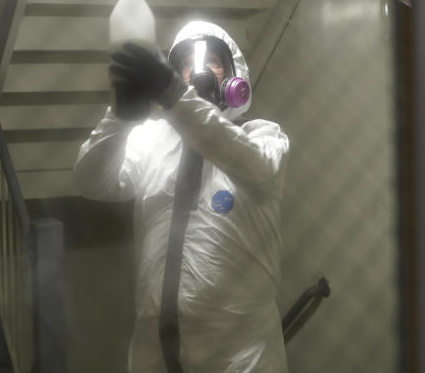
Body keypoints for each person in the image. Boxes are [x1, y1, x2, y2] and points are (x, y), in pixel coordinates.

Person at [74, 21, 290, 373]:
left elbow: (259, 169)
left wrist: (175, 95)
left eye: (213, 61)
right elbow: (91, 180)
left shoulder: (260, 137)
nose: (198, 70)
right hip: (154, 351)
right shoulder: (152, 140)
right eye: (185, 64)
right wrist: (120, 117)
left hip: (241, 357)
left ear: (235, 77)